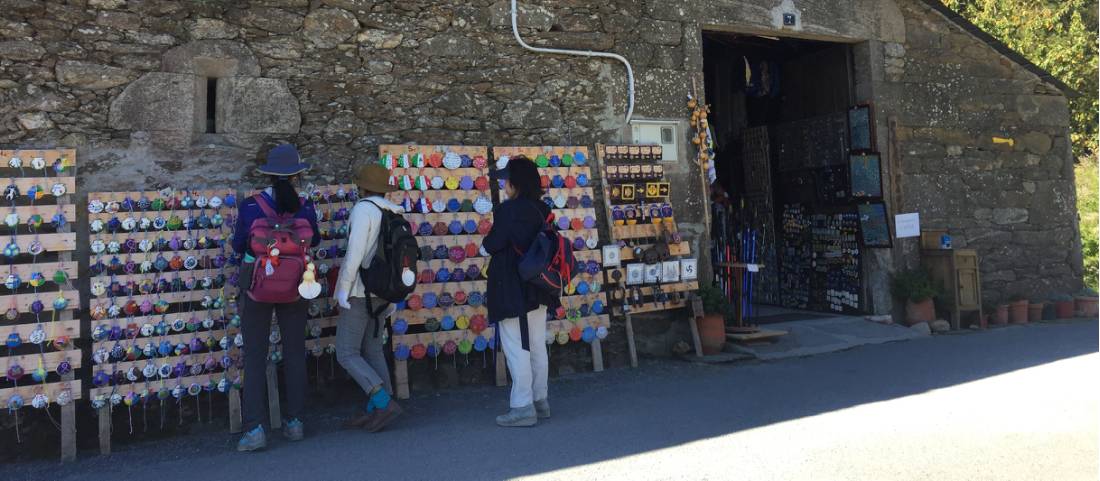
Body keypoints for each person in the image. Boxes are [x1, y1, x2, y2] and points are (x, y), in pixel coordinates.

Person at [232, 144, 321, 452]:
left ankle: (254, 429)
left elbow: (238, 245)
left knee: (255, 357)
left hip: (257, 288)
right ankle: (295, 423)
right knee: (295, 352)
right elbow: (316, 240)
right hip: (296, 286)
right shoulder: (306, 206)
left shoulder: (251, 206)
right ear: (297, 175)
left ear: (269, 175)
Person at [484, 155, 561, 427]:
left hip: (511, 286)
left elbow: (493, 244)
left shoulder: (509, 211)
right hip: (539, 285)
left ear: (516, 183)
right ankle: (541, 401)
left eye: (507, 180)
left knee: (516, 347)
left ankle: (522, 407)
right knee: (537, 344)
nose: (504, 184)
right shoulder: (542, 209)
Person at [334, 163, 405, 431]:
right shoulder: (394, 212)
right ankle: (377, 408)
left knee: (346, 352)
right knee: (373, 349)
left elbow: (354, 255)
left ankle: (383, 402)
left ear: (362, 187)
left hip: (361, 291)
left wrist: (343, 289)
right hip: (384, 291)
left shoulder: (364, 210)